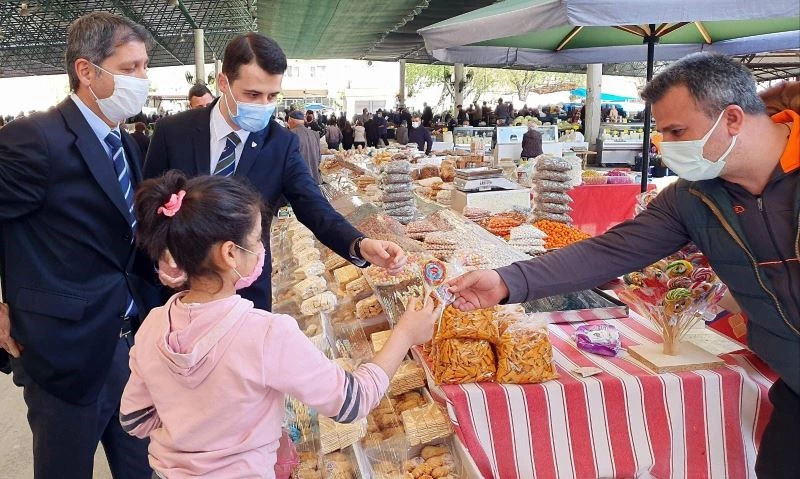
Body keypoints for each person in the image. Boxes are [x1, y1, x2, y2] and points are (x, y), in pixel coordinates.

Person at [447, 54, 800, 478]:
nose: (665, 146)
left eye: (676, 131)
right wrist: (506, 281)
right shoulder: (692, 198)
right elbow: (609, 252)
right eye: (661, 132)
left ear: (732, 119)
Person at [121, 171, 442, 478]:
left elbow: (134, 420)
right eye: (256, 240)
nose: (262, 249)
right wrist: (405, 334)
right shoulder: (267, 334)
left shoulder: (152, 325)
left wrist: (193, 416)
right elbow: (351, 402)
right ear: (230, 253)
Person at [0, 12, 161, 478]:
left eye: (144, 66)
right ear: (86, 71)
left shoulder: (126, 142)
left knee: (143, 468)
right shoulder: (34, 139)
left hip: (131, 346)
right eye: (129, 68)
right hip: (65, 353)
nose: (142, 79)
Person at [144, 32, 408, 311]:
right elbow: (149, 206)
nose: (262, 105)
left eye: (272, 96)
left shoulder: (280, 144)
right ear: (224, 82)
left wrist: (359, 244)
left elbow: (312, 204)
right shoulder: (173, 132)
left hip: (247, 298)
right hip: (180, 294)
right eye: (252, 94)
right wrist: (161, 253)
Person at [286, 110, 322, 184]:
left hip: (299, 183)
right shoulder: (315, 134)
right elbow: (319, 158)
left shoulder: (289, 135)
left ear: (290, 120)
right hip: (315, 180)